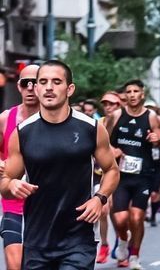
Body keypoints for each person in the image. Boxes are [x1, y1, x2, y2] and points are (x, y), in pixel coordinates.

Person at [1, 60, 119, 270]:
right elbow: (6, 183)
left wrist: (100, 198)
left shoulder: (90, 128)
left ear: (69, 89)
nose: (49, 87)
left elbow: (111, 169)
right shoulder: (22, 133)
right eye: (43, 82)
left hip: (78, 240)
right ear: (36, 89)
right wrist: (11, 186)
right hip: (37, 241)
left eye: (56, 82)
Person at [107, 79, 160, 269]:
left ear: (142, 94)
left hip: (143, 176)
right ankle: (123, 240)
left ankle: (134, 255)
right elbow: (102, 142)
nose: (132, 95)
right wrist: (112, 150)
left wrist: (159, 140)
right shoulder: (117, 115)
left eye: (135, 91)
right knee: (121, 219)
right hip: (121, 176)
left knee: (137, 217)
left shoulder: (151, 117)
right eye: (129, 91)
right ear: (125, 95)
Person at [0, 63, 38, 270]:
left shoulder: (58, 120)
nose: (31, 88)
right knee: (15, 266)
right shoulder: (6, 119)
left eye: (35, 83)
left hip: (48, 205)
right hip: (13, 201)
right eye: (26, 83)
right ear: (19, 87)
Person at [97, 91, 122, 262]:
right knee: (104, 210)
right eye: (105, 104)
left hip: (123, 174)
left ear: (119, 106)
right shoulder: (98, 123)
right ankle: (104, 244)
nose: (108, 107)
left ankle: (122, 243)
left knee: (119, 215)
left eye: (112, 104)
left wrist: (120, 151)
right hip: (101, 173)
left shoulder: (125, 123)